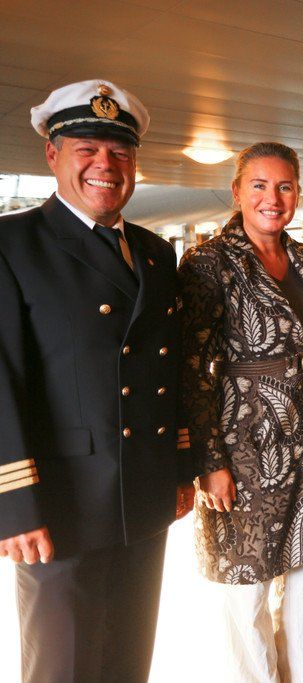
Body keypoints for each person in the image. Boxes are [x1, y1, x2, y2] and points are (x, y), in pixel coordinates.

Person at [0, 79, 191, 682]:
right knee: (63, 666)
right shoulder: (13, 244)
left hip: (143, 492)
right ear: (52, 154)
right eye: (87, 149)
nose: (105, 165)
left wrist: (180, 466)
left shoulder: (156, 252)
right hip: (62, 501)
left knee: (127, 660)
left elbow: (168, 368)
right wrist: (13, 503)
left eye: (119, 152)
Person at [179, 141, 303, 682]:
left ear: (297, 193)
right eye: (259, 185)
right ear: (236, 192)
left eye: (284, 186)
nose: (273, 197)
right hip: (242, 444)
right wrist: (208, 461)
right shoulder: (208, 262)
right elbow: (191, 366)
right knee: (244, 588)